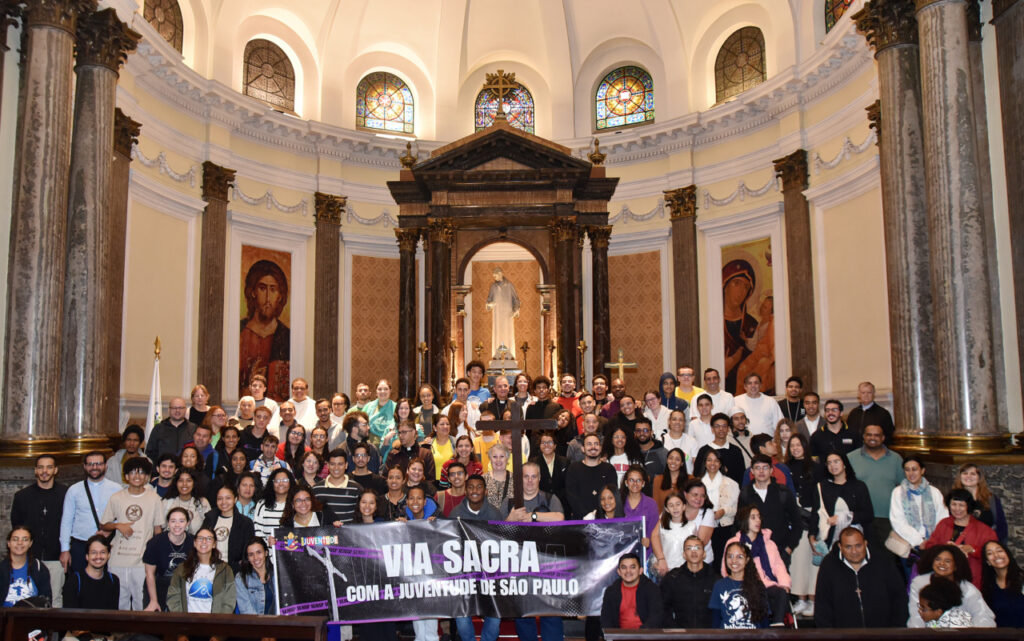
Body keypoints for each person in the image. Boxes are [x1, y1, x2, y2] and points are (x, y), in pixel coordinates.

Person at [100, 457, 165, 610]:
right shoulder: (116, 498)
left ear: (147, 477)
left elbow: (158, 530)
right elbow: (104, 524)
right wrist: (118, 525)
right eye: (133, 473)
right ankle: (119, 633)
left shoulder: (155, 499)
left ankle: (139, 633)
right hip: (119, 558)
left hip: (142, 560)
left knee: (140, 602)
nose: (137, 476)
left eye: (142, 473)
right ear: (126, 476)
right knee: (119, 602)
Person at [813, 527, 907, 628]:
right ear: (840, 547)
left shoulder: (883, 561)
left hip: (882, 633)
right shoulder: (829, 566)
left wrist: (896, 630)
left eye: (858, 546)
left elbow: (899, 597)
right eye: (848, 547)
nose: (854, 551)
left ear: (865, 543)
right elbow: (822, 605)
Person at [449, 476, 502, 641]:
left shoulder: (495, 513)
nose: (474, 491)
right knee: (462, 616)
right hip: (464, 573)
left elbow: (501, 544)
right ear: (466, 491)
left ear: (485, 491)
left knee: (495, 613)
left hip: (490, 572)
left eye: (479, 487)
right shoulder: (455, 513)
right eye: (470, 487)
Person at [10, 454, 66, 606]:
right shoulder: (22, 496)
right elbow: (17, 527)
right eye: (40, 467)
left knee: (54, 599)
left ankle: (54, 631)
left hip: (56, 557)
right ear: (35, 471)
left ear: (55, 470)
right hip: (30, 559)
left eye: (49, 467)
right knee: (29, 599)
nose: (44, 471)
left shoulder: (66, 494)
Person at [721, 505, 791, 626]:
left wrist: (784, 583)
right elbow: (725, 569)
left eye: (759, 517)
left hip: (766, 584)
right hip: (743, 584)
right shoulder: (734, 543)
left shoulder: (769, 543)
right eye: (753, 517)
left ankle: (777, 626)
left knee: (781, 592)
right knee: (755, 593)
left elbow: (778, 565)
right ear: (744, 520)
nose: (758, 520)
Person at [59, 451, 122, 573]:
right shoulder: (74, 490)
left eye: (98, 464)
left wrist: (108, 530)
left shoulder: (116, 489)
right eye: (90, 464)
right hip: (80, 545)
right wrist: (65, 550)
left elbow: (121, 517)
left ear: (105, 466)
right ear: (85, 466)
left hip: (108, 544)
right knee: (80, 584)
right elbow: (66, 521)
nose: (94, 467)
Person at [924, 488, 998, 590]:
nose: (957, 509)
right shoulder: (943, 524)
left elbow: (993, 555)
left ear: (969, 506)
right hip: (943, 579)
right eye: (954, 504)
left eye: (961, 505)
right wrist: (943, 548)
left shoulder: (984, 530)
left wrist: (972, 549)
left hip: (972, 581)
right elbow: (929, 546)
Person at [847, 423, 903, 555]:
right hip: (860, 518)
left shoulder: (896, 459)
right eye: (869, 435)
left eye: (877, 435)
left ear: (883, 438)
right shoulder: (850, 458)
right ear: (863, 437)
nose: (873, 438)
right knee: (862, 557)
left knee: (887, 558)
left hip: (888, 519)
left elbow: (903, 488)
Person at [737, 454, 803, 566]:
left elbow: (797, 523)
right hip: (754, 553)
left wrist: (789, 548)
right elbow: (739, 524)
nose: (761, 471)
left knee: (781, 583)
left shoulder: (783, 492)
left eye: (765, 467)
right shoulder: (745, 494)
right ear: (752, 471)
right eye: (757, 468)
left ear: (771, 470)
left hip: (780, 552)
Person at [908, 544, 996, 627]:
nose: (942, 563)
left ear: (955, 566)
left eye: (947, 561)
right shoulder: (920, 583)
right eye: (938, 559)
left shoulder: (968, 588)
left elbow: (983, 616)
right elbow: (916, 615)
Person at [808, 451, 873, 553]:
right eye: (829, 463)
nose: (832, 465)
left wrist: (843, 518)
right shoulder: (822, 487)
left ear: (844, 464)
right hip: (829, 540)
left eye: (836, 461)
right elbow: (815, 515)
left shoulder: (859, 486)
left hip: (855, 540)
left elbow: (868, 514)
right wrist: (811, 536)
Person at [889, 455, 948, 566]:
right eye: (907, 470)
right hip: (909, 545)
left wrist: (931, 541)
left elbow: (943, 519)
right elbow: (898, 521)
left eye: (914, 469)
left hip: (933, 545)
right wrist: (919, 541)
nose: (911, 473)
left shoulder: (934, 492)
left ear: (922, 470)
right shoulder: (898, 492)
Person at [785, 433, 820, 617]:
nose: (795, 448)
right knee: (798, 560)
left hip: (812, 515)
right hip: (793, 516)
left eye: (799, 445)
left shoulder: (815, 468)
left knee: (813, 560)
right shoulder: (786, 467)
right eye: (792, 446)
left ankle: (813, 600)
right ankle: (801, 599)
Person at [166, 526, 236, 613]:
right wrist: (182, 619)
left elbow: (230, 600)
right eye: (200, 538)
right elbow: (173, 596)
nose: (204, 541)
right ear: (194, 543)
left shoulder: (225, 570)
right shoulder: (182, 568)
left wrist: (219, 621)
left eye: (209, 539)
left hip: (215, 623)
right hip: (187, 623)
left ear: (214, 544)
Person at [652, 480, 716, 571]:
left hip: (697, 563)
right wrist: (661, 558)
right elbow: (655, 535)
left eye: (702, 496)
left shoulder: (707, 513)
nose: (699, 499)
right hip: (668, 562)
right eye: (695, 495)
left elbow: (700, 542)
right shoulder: (671, 510)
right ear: (685, 494)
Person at [709, 541, 771, 628]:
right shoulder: (719, 585)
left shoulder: (758, 585)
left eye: (739, 557)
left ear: (747, 560)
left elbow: (764, 621)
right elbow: (715, 620)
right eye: (730, 556)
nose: (734, 560)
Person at [143, 506, 194, 611]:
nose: (177, 525)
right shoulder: (155, 542)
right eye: (173, 521)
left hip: (183, 586)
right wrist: (153, 600)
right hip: (158, 584)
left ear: (188, 523)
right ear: (168, 523)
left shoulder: (193, 542)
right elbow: (149, 574)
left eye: (181, 521)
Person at [660, 534, 717, 628]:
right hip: (680, 635)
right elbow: (663, 608)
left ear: (704, 554)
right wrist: (674, 631)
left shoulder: (715, 579)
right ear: (684, 554)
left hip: (709, 634)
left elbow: (719, 612)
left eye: (697, 548)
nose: (693, 552)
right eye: (689, 548)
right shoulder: (672, 578)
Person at [600, 553, 663, 630]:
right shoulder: (611, 592)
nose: (628, 571)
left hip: (646, 636)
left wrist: (640, 635)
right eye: (624, 568)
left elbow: (656, 617)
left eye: (632, 567)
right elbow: (606, 620)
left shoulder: (652, 589)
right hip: (620, 637)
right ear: (619, 572)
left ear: (640, 571)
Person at [200, 485, 255, 572]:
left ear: (235, 499)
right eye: (220, 498)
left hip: (234, 571)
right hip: (209, 569)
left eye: (228, 498)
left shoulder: (245, 523)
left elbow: (248, 550)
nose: (223, 502)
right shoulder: (210, 518)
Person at [565, 434, 617, 519]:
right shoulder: (573, 468)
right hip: (580, 520)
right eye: (589, 444)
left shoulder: (609, 469)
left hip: (604, 520)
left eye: (596, 444)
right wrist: (585, 514)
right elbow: (571, 495)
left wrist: (601, 515)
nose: (593, 447)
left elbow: (612, 495)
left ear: (600, 448)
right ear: (583, 449)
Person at [952, 463, 1008, 543]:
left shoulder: (991, 499)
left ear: (979, 478)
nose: (968, 476)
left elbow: (1001, 526)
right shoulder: (953, 499)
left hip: (987, 545)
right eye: (965, 473)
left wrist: (993, 543)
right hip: (962, 546)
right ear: (960, 477)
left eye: (973, 474)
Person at [62, 534, 119, 611]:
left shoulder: (113, 580)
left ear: (108, 555)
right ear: (87, 556)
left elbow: (113, 614)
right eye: (93, 552)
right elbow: (69, 616)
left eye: (102, 552)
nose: (98, 556)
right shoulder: (74, 581)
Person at [702, 449, 739, 564]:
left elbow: (736, 509)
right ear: (705, 463)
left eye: (716, 461)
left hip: (724, 527)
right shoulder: (697, 483)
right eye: (709, 460)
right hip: (702, 527)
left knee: (721, 561)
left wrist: (723, 511)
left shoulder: (731, 484)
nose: (712, 463)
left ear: (720, 464)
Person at [2, 526, 51, 607]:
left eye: (25, 539)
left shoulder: (39, 568)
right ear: (8, 543)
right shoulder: (2, 569)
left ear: (30, 543)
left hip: (32, 617)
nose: (20, 543)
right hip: (5, 617)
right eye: (15, 539)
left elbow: (46, 600)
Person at [693, 413, 746, 486]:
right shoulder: (704, 451)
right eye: (717, 426)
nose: (721, 429)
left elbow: (741, 476)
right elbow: (697, 474)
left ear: (728, 429)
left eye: (724, 426)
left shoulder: (736, 451)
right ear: (712, 429)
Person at [981, 540, 1024, 627]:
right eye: (990, 553)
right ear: (988, 562)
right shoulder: (988, 586)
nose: (996, 555)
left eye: (999, 551)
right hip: (1002, 635)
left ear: (1007, 554)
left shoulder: (1021, 579)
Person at [313, 449, 363, 523]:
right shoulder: (316, 489)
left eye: (340, 464)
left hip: (348, 533)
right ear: (328, 465)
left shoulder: (356, 488)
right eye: (333, 464)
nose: (336, 468)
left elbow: (360, 515)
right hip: (325, 533)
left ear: (346, 465)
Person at [235, 537, 276, 615]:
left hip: (277, 624)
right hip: (254, 625)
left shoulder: (277, 575)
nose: (255, 558)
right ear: (247, 558)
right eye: (251, 554)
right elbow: (246, 611)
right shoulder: (241, 578)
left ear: (266, 553)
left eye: (259, 552)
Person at [162, 469, 211, 535]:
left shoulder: (202, 502)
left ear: (194, 483)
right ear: (176, 483)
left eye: (188, 481)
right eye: (181, 480)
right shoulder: (167, 502)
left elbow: (209, 528)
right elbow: (160, 528)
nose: (184, 484)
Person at [253, 468, 294, 541]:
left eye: (285, 480)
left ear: (290, 482)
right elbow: (257, 531)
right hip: (267, 550)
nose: (281, 484)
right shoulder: (262, 504)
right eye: (277, 481)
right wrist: (266, 545)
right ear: (272, 483)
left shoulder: (296, 504)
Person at [621, 465, 659, 542]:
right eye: (631, 480)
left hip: (645, 551)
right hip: (622, 550)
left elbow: (653, 534)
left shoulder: (651, 504)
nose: (635, 483)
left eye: (638, 480)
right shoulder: (619, 502)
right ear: (626, 483)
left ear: (643, 483)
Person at [532, 430, 568, 507]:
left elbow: (568, 485)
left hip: (562, 503)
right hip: (540, 503)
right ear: (540, 445)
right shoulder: (533, 462)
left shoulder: (565, 462)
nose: (546, 445)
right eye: (543, 443)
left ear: (555, 445)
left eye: (550, 442)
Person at [362, 378, 397, 450]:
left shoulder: (397, 407)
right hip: (370, 447)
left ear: (390, 391)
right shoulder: (367, 407)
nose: (382, 391)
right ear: (376, 391)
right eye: (380, 389)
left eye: (386, 389)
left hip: (390, 446)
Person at [425, 414, 456, 487]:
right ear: (435, 427)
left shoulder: (455, 442)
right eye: (442, 424)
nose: (445, 426)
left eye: (447, 424)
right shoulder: (429, 444)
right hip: (432, 484)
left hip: (452, 483)